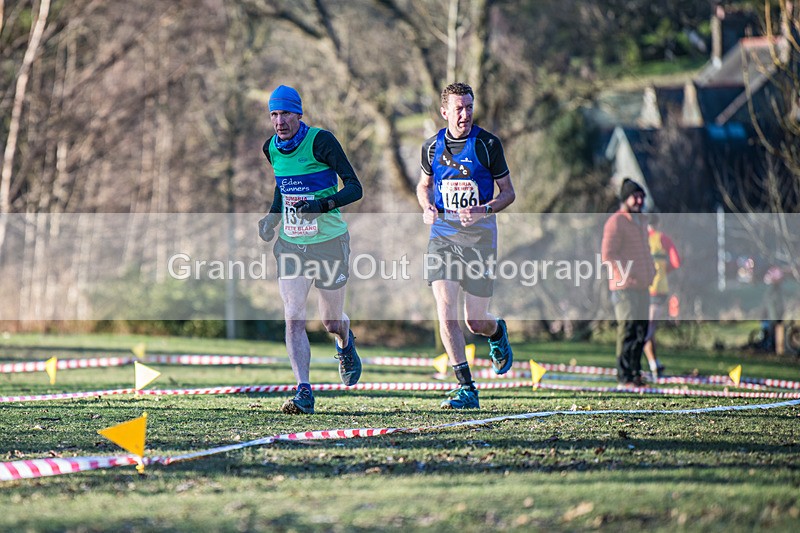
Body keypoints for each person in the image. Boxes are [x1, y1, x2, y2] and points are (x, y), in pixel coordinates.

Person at [258, 85, 363, 414]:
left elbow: (355, 188)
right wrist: (272, 218)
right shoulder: (270, 148)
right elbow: (282, 185)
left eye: (285, 113)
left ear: (298, 114)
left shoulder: (321, 141)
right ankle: (304, 390)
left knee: (331, 321)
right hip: (291, 244)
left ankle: (345, 343)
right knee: (293, 318)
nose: (279, 121)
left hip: (330, 243)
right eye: (274, 114)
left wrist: (322, 205)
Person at [417, 82, 516, 409]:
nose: (465, 114)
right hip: (443, 238)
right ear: (444, 112)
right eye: (459, 108)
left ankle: (496, 330)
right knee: (445, 309)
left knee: (475, 321)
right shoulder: (431, 147)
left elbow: (508, 194)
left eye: (469, 107)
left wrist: (483, 209)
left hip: (480, 240)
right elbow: (424, 185)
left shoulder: (488, 144)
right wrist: (426, 206)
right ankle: (466, 387)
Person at [601, 178, 656, 387]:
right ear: (625, 199)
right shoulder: (615, 222)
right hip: (624, 288)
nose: (640, 200)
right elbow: (608, 255)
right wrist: (624, 275)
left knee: (641, 330)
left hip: (643, 285)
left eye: (642, 196)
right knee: (628, 329)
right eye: (636, 196)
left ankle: (635, 373)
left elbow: (646, 251)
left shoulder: (641, 222)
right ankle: (624, 376)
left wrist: (651, 271)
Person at [643, 214, 681, 378]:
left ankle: (652, 364)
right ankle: (653, 364)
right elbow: (676, 262)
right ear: (658, 223)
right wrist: (664, 271)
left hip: (643, 287)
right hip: (659, 288)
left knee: (647, 329)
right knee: (648, 329)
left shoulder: (641, 239)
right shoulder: (663, 239)